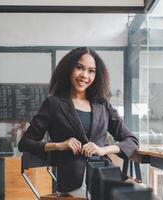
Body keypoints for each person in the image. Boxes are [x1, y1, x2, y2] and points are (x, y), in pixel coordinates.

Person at [18, 47, 139, 198]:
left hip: (105, 173)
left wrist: (102, 150)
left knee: (144, 194)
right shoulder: (54, 104)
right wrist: (60, 145)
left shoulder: (102, 105)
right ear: (69, 68)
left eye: (91, 71)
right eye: (79, 68)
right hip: (74, 179)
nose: (85, 75)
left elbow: (131, 140)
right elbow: (25, 143)